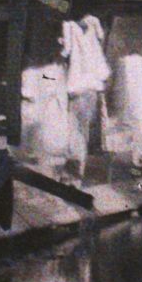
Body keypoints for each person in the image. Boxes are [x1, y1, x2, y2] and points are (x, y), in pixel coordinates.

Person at [61, 15, 111, 178]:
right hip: (92, 87)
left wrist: (59, 44)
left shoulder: (68, 25)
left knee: (74, 129)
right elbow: (101, 37)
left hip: (77, 86)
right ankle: (78, 169)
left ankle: (74, 172)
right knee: (83, 130)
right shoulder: (94, 23)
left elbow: (66, 50)